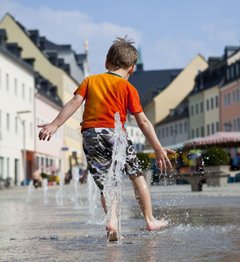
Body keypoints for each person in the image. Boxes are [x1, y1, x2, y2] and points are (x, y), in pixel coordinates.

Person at [38, 37, 175, 241]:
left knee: (105, 183)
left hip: (91, 135)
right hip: (115, 135)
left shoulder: (90, 81)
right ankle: (150, 219)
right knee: (137, 175)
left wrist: (55, 124)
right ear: (132, 69)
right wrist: (157, 148)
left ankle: (112, 220)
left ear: (106, 63)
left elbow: (74, 102)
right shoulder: (128, 88)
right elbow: (143, 122)